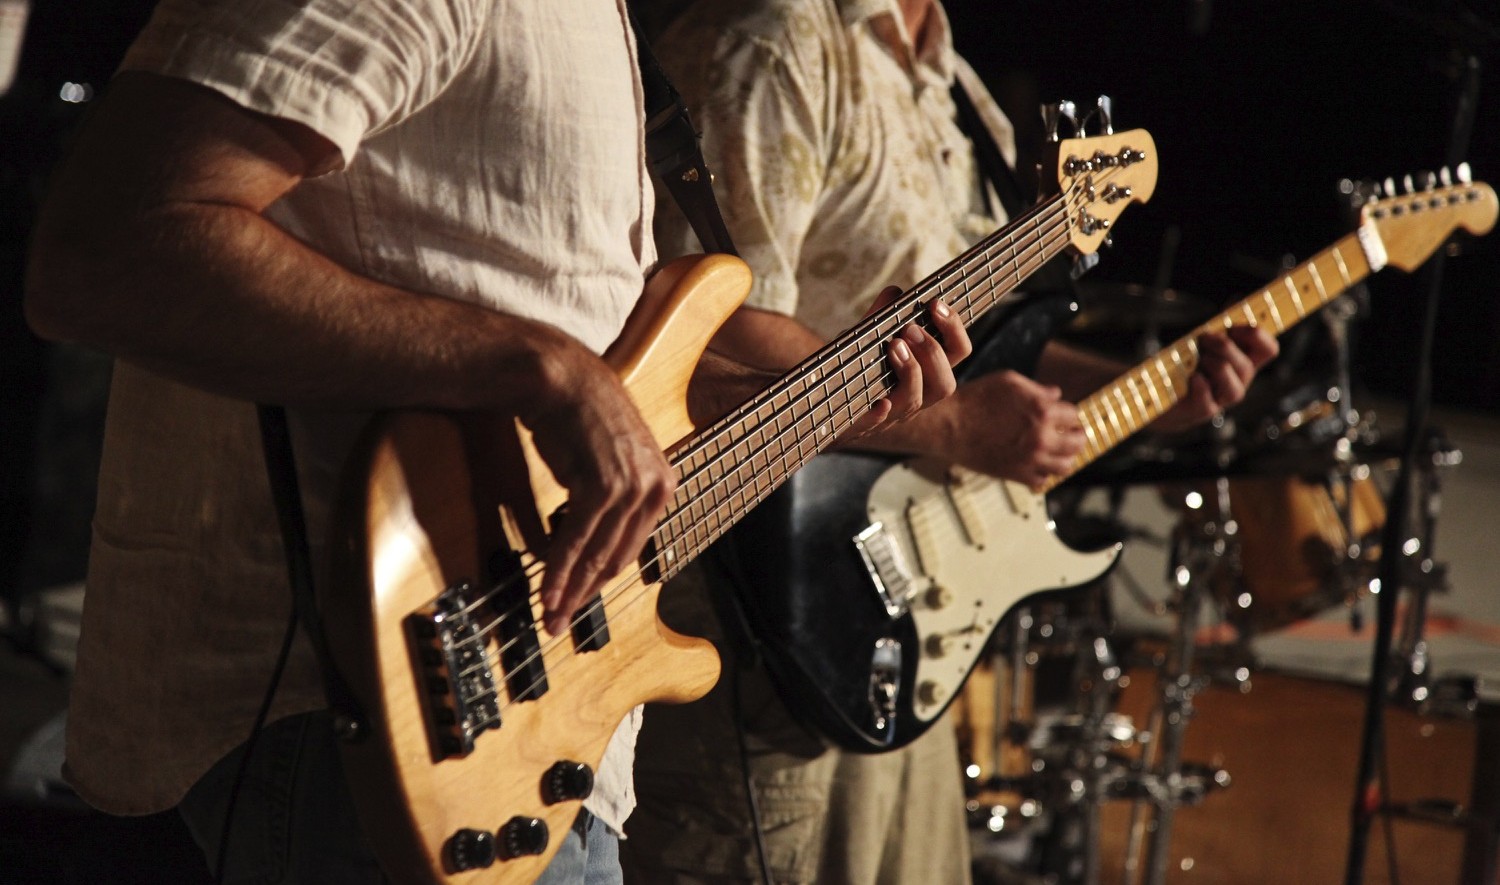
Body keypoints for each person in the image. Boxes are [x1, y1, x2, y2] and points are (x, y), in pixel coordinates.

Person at [21, 1, 974, 882]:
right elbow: (105, 247)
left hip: (538, 735)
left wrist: (812, 399)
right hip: (367, 714)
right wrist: (535, 367)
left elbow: (590, 358)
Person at [620, 1, 1279, 883]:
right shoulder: (773, 40)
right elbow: (709, 327)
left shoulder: (952, 79)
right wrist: (958, 426)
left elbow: (988, 352)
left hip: (906, 631)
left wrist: (1163, 391)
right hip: (763, 622)